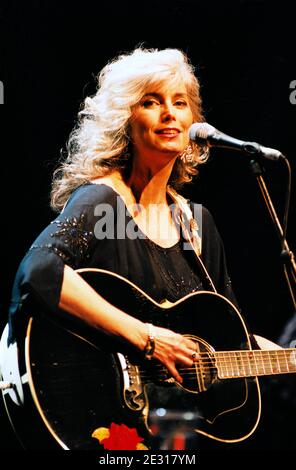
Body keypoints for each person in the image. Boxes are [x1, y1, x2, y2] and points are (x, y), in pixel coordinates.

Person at [5, 47, 282, 450]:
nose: (170, 113)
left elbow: (233, 340)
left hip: (170, 438)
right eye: (151, 102)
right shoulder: (102, 201)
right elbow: (39, 272)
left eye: (180, 102)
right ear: (125, 121)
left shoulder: (197, 224)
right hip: (101, 422)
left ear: (193, 122)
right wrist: (148, 338)